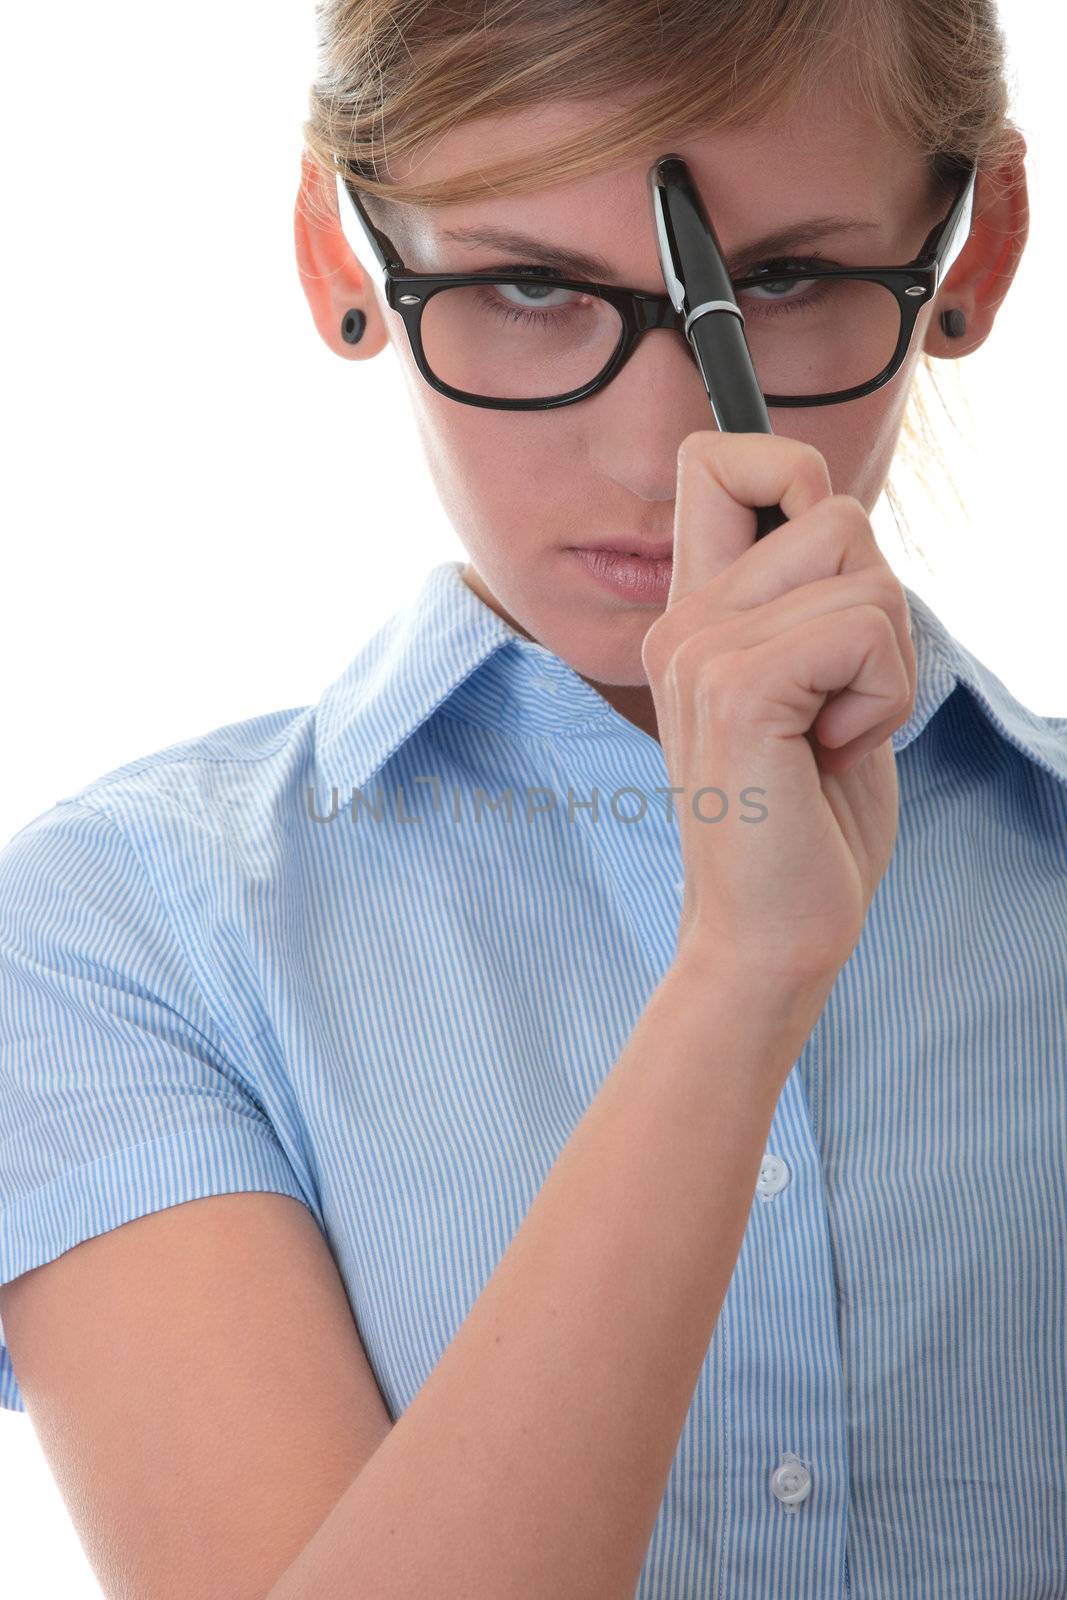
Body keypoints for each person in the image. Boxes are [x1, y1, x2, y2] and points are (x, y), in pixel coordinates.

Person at [0, 2, 1063, 1597]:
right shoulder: (119, 938)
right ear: (334, 259)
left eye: (780, 281)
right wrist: (737, 983)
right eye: (525, 288)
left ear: (972, 258)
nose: (658, 452)